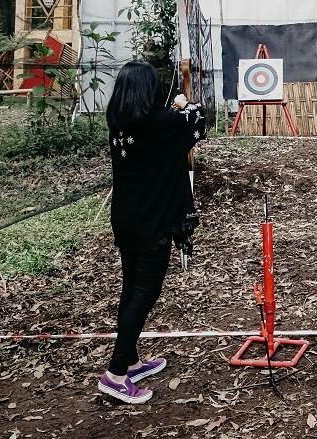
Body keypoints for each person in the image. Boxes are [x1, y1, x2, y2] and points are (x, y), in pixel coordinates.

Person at [97, 61, 206, 404]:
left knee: (131, 290)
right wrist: (183, 104)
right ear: (149, 91)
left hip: (126, 220)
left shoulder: (118, 121)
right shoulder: (162, 123)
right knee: (144, 294)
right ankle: (115, 375)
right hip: (151, 223)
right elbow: (200, 121)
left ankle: (130, 362)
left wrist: (175, 109)